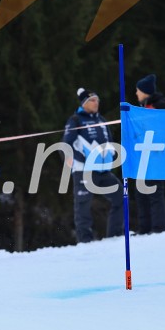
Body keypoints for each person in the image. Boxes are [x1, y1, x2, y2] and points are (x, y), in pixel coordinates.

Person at [62, 88, 124, 243]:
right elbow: (66, 144)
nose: (96, 103)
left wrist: (112, 154)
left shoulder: (102, 120)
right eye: (92, 100)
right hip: (84, 171)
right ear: (84, 103)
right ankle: (85, 242)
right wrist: (74, 158)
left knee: (121, 197)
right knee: (83, 207)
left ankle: (114, 236)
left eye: (97, 100)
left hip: (103, 172)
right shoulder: (75, 120)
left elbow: (109, 140)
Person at [133, 73, 165, 234]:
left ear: (146, 91)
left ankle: (159, 228)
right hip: (143, 155)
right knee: (140, 192)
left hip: (156, 155)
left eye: (138, 90)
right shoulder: (142, 107)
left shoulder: (161, 103)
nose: (136, 93)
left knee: (155, 191)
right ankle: (144, 228)